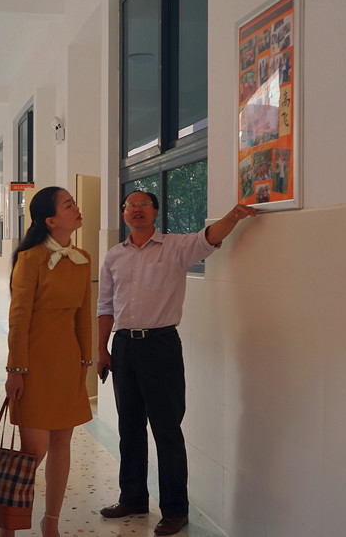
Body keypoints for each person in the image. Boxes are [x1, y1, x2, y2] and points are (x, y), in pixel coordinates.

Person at [96, 191, 257, 537]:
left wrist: (233, 216)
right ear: (123, 214)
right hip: (123, 346)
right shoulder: (113, 256)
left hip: (161, 346)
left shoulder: (174, 247)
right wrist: (101, 348)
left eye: (144, 204)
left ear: (155, 211)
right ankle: (132, 498)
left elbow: (207, 238)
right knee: (129, 427)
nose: (136, 209)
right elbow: (105, 305)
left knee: (166, 430)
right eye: (130, 205)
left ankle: (175, 510)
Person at [3, 186, 93, 537]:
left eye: (74, 203)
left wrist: (85, 359)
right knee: (33, 450)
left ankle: (50, 522)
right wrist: (16, 369)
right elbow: (18, 318)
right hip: (34, 364)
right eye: (68, 205)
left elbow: (83, 314)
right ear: (51, 220)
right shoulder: (30, 259)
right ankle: (8, 524)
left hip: (68, 361)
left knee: (62, 444)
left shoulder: (82, 258)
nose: (76, 208)